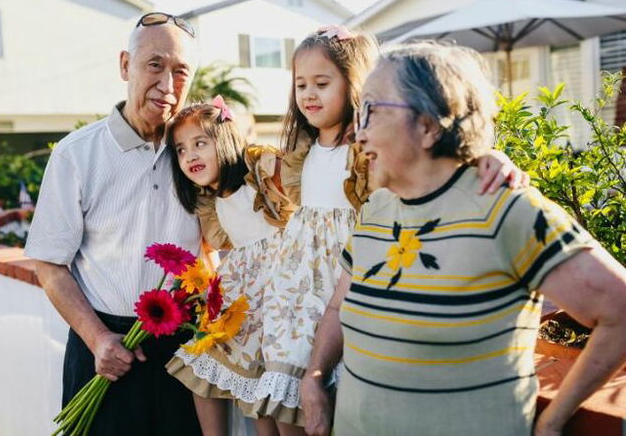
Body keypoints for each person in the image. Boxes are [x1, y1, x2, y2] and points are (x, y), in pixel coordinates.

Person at [300, 41, 626, 436]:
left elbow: (619, 310)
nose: (357, 132)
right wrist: (314, 377)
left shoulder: (505, 209)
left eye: (371, 110)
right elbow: (339, 307)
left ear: (429, 125)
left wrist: (552, 422)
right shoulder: (377, 209)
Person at [248, 27, 529, 434]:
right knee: (282, 395)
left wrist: (490, 155)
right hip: (295, 290)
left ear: (355, 84)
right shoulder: (299, 154)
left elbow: (436, 161)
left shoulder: (368, 149)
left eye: (322, 83)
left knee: (332, 395)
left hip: (342, 278)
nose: (309, 94)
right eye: (301, 84)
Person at [24, 12, 202, 435]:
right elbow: (49, 264)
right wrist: (98, 339)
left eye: (181, 72)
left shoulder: (199, 153)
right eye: (154, 65)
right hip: (104, 350)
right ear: (126, 65)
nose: (168, 85)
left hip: (185, 351)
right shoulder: (76, 154)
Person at [164, 98, 294, 436]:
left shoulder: (259, 175)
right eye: (180, 150)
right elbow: (218, 251)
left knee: (277, 397)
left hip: (284, 293)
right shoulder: (210, 203)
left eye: (200, 143)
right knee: (210, 368)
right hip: (246, 304)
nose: (189, 155)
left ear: (224, 139)